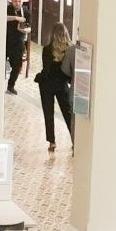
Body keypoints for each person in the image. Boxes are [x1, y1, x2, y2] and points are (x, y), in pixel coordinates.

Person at [34, 23, 76, 151]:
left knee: (48, 113)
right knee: (68, 113)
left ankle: (52, 142)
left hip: (47, 84)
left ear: (52, 33)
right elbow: (70, 71)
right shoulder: (70, 49)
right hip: (62, 85)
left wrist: (40, 76)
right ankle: (75, 140)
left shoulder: (47, 49)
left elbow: (46, 70)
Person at [5, 0, 33, 93]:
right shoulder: (7, 9)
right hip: (6, 42)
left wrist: (24, 30)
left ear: (22, 1)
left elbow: (30, 28)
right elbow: (3, 17)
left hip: (18, 43)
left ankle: (10, 86)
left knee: (17, 66)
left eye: (19, 1)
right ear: (11, 1)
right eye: (15, 1)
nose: (18, 3)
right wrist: (16, 18)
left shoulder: (26, 11)